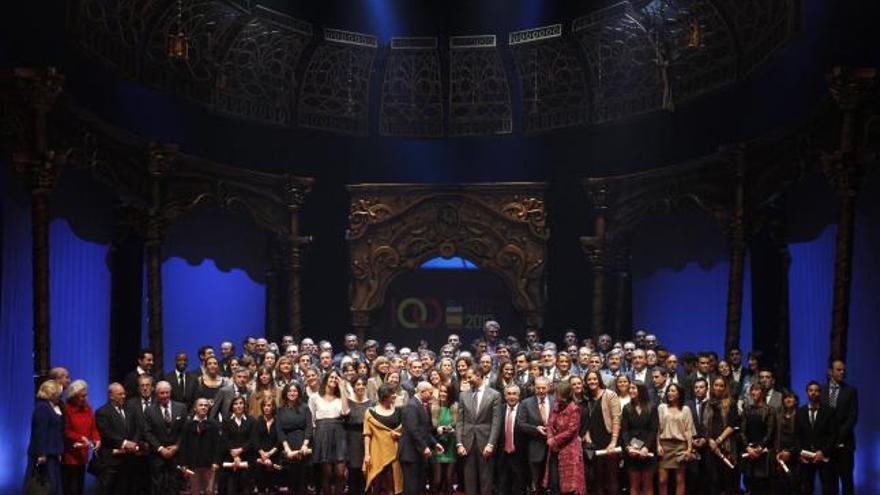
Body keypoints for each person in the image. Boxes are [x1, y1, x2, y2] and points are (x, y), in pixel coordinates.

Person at [456, 366, 501, 495]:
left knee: (486, 480)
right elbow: (460, 421)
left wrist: (491, 443)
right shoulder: (463, 395)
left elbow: (496, 422)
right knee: (469, 480)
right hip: (467, 443)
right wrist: (459, 443)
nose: (467, 380)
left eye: (470, 377)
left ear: (479, 375)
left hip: (486, 443)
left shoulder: (494, 395)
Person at [94, 383, 142, 495]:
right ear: (111, 396)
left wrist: (134, 443)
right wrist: (124, 443)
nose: (124, 396)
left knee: (126, 489)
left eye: (124, 393)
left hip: (129, 459)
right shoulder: (102, 412)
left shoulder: (130, 409)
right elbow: (106, 433)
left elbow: (137, 428)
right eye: (120, 394)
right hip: (112, 461)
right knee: (108, 490)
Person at [141, 381, 187, 495]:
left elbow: (185, 430)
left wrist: (176, 446)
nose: (165, 396)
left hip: (176, 455)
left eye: (167, 393)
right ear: (156, 394)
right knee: (157, 487)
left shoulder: (181, 407)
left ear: (170, 393)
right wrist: (161, 449)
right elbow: (147, 432)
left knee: (175, 486)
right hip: (157, 456)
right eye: (161, 393)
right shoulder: (149, 410)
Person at [309, 370, 350, 495]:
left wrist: (343, 389)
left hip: (339, 433)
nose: (333, 380)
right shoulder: (315, 397)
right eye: (331, 377)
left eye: (336, 378)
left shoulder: (340, 397)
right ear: (326, 379)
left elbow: (345, 412)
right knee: (326, 474)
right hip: (322, 434)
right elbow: (311, 420)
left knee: (340, 473)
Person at [581, 370, 621, 495]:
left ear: (599, 380)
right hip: (593, 442)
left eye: (594, 379)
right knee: (597, 478)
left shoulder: (610, 395)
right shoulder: (586, 398)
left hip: (609, 440)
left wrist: (613, 441)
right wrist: (586, 434)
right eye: (589, 379)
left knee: (612, 477)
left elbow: (616, 418)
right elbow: (585, 420)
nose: (592, 381)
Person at [400, 382, 443, 495]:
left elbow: (425, 430)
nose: (432, 396)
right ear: (422, 392)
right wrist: (424, 447)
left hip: (418, 454)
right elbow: (413, 430)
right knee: (411, 488)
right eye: (430, 393)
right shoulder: (412, 405)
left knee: (419, 487)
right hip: (410, 454)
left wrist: (434, 444)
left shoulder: (422, 405)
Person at [823, 358, 857, 495]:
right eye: (839, 369)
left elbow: (852, 418)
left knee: (846, 481)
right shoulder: (822, 390)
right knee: (829, 483)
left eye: (844, 370)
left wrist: (837, 438)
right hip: (826, 446)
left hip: (845, 444)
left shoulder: (850, 391)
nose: (843, 372)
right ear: (830, 372)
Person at [544, 380, 585, 495]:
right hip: (554, 449)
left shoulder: (574, 409)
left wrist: (554, 440)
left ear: (564, 394)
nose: (555, 395)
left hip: (569, 449)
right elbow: (549, 424)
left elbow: (571, 431)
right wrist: (550, 438)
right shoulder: (556, 406)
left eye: (557, 393)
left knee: (569, 485)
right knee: (554, 481)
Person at [796, 381, 837, 495]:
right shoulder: (800, 412)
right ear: (807, 392)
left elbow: (833, 435)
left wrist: (823, 452)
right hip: (806, 457)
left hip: (824, 457)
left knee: (828, 489)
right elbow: (797, 435)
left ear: (820, 393)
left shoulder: (829, 411)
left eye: (816, 390)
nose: (813, 393)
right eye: (811, 390)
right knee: (807, 489)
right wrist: (800, 453)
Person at [364, 383, 405, 494]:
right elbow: (367, 434)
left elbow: (405, 432)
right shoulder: (370, 412)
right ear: (385, 395)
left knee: (393, 485)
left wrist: (399, 435)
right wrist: (367, 454)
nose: (395, 395)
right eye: (392, 393)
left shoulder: (399, 411)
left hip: (395, 454)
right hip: (377, 453)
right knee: (377, 485)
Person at [61, 380, 100, 495]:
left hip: (82, 453)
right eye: (82, 396)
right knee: (70, 487)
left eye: (86, 395)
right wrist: (80, 437)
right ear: (73, 396)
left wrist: (97, 439)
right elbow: (65, 431)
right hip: (70, 454)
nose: (85, 398)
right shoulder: (66, 409)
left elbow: (93, 428)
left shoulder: (87, 408)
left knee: (79, 487)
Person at [702, 377, 739, 495]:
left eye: (721, 385)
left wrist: (718, 440)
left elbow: (732, 424)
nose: (718, 388)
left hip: (726, 446)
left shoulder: (731, 403)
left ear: (725, 388)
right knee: (712, 482)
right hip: (710, 447)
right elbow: (703, 426)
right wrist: (710, 441)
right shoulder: (706, 404)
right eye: (716, 385)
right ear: (712, 387)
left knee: (728, 481)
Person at [27, 379, 64, 495]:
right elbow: (40, 432)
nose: (60, 396)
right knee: (45, 488)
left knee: (53, 487)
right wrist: (41, 454)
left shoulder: (49, 407)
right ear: (53, 394)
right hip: (45, 457)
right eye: (59, 393)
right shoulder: (43, 407)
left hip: (51, 455)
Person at [657, 383, 694, 495]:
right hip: (665, 445)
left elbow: (689, 430)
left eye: (673, 391)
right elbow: (657, 429)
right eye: (668, 391)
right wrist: (658, 445)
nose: (669, 393)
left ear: (679, 394)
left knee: (680, 479)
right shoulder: (662, 407)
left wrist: (689, 449)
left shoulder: (686, 409)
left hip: (680, 446)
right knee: (662, 480)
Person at [178, 398, 222, 495]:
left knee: (209, 491)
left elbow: (218, 446)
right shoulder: (188, 424)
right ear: (195, 408)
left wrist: (216, 461)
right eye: (201, 405)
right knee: (194, 491)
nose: (203, 407)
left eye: (206, 405)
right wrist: (183, 463)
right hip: (193, 464)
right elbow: (183, 445)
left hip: (209, 465)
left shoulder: (214, 425)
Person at [518, 375, 553, 494]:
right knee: (536, 483)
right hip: (535, 447)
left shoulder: (556, 401)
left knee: (553, 482)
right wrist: (535, 429)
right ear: (534, 388)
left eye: (543, 388)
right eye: (538, 388)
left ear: (548, 387)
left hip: (554, 449)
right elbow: (521, 424)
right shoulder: (525, 403)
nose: (541, 391)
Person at [621, 381, 658, 495]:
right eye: (630, 388)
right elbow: (625, 430)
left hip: (648, 448)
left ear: (641, 390)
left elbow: (653, 430)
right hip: (632, 449)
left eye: (634, 388)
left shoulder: (652, 407)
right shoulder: (627, 408)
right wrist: (628, 447)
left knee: (648, 484)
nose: (631, 390)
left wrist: (646, 447)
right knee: (634, 484)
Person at [739, 382, 776, 495]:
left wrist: (760, 448)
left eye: (757, 390)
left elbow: (770, 432)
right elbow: (742, 431)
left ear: (763, 392)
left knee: (763, 486)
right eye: (752, 390)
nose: (754, 392)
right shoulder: (747, 409)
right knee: (749, 484)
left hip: (763, 454)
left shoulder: (770, 410)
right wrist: (747, 448)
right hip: (749, 453)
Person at [277, 382, 313, 495]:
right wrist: (287, 449)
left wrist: (305, 445)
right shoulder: (280, 410)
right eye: (290, 391)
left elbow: (309, 427)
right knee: (291, 480)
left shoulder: (305, 407)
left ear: (298, 393)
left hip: (303, 445)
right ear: (285, 393)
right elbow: (279, 430)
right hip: (288, 446)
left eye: (295, 391)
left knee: (303, 480)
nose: (292, 393)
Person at [221, 396, 255, 495]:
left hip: (247, 458)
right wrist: (234, 455)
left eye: (241, 403)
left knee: (246, 490)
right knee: (231, 489)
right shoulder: (226, 420)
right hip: (230, 459)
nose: (238, 406)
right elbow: (225, 439)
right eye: (235, 404)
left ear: (245, 405)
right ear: (232, 406)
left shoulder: (251, 420)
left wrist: (241, 450)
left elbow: (252, 439)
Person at [497, 384, 527, 495]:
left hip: (520, 456)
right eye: (509, 394)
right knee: (503, 486)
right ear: (505, 396)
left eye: (514, 394)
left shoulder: (524, 409)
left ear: (519, 396)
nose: (511, 397)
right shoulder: (499, 409)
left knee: (519, 487)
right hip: (502, 455)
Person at [346, 376, 373, 495]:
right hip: (352, 441)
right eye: (358, 384)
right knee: (353, 472)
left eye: (363, 384)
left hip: (368, 440)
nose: (360, 386)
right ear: (353, 387)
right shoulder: (348, 402)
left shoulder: (371, 403)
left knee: (366, 472)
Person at [430, 382, 458, 495]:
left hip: (451, 446)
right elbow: (428, 429)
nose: (442, 393)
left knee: (449, 478)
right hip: (437, 446)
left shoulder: (455, 407)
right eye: (441, 391)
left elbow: (460, 427)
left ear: (450, 394)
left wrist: (453, 431)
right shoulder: (433, 407)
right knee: (437, 479)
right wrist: (437, 430)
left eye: (445, 391)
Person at [250, 397, 280, 494]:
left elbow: (280, 441)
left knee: (272, 486)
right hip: (260, 455)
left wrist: (269, 454)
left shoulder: (278, 421)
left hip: (274, 455)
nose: (266, 408)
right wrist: (263, 455)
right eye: (264, 405)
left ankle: (272, 489)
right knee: (259, 469)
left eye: (269, 405)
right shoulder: (257, 421)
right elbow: (255, 440)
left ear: (273, 407)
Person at [774, 389, 800, 494]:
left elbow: (800, 437)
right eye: (785, 398)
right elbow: (775, 435)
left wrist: (791, 452)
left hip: (795, 455)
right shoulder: (778, 415)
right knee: (781, 486)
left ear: (796, 401)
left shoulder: (800, 415)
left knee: (794, 485)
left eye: (791, 397)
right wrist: (777, 452)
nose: (788, 400)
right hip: (779, 454)